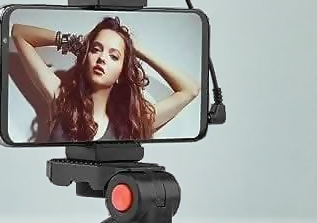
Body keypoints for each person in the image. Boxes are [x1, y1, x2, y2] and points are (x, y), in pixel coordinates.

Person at [10, 16, 201, 142]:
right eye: (96, 49)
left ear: (121, 74)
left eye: (114, 56)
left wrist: (138, 51)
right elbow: (19, 33)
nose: (102, 58)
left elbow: (190, 89)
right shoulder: (61, 99)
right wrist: (75, 41)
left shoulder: (133, 121)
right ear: (85, 58)